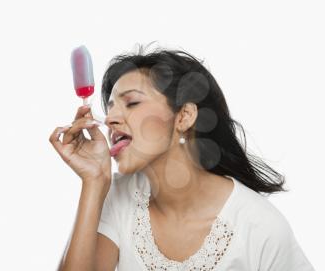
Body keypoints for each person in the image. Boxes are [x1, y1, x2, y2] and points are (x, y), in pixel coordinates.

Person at [50, 44, 315, 271]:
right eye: (109, 108)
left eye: (131, 103)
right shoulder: (118, 198)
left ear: (184, 116)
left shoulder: (260, 226)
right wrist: (94, 181)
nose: (109, 119)